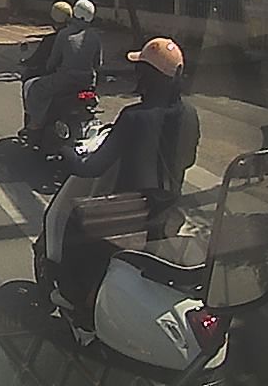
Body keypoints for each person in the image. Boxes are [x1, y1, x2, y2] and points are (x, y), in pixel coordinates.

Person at [52, 37, 200, 312]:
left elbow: (92, 168)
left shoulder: (133, 117)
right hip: (168, 207)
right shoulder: (190, 114)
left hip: (132, 211)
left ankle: (72, 296)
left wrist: (66, 151)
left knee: (77, 218)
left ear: (145, 75)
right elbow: (188, 159)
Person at [21, 0, 102, 142]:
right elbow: (98, 63)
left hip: (64, 80)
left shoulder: (64, 34)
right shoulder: (95, 37)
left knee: (35, 88)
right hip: (88, 82)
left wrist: (50, 69)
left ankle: (36, 123)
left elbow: (53, 61)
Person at [21, 1, 74, 80]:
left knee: (28, 75)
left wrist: (27, 62)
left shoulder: (50, 39)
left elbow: (37, 60)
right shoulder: (80, 36)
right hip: (79, 77)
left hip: (56, 76)